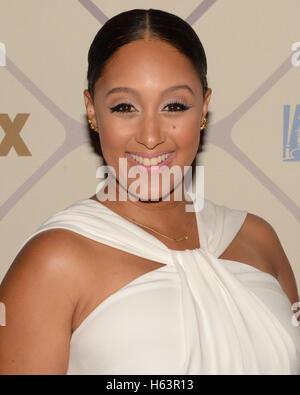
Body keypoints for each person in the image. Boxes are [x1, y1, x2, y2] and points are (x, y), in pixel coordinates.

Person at [0, 8, 299, 375]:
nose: (152, 135)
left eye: (174, 105)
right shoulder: (53, 263)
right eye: (124, 107)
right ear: (92, 111)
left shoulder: (258, 239)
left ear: (204, 108)